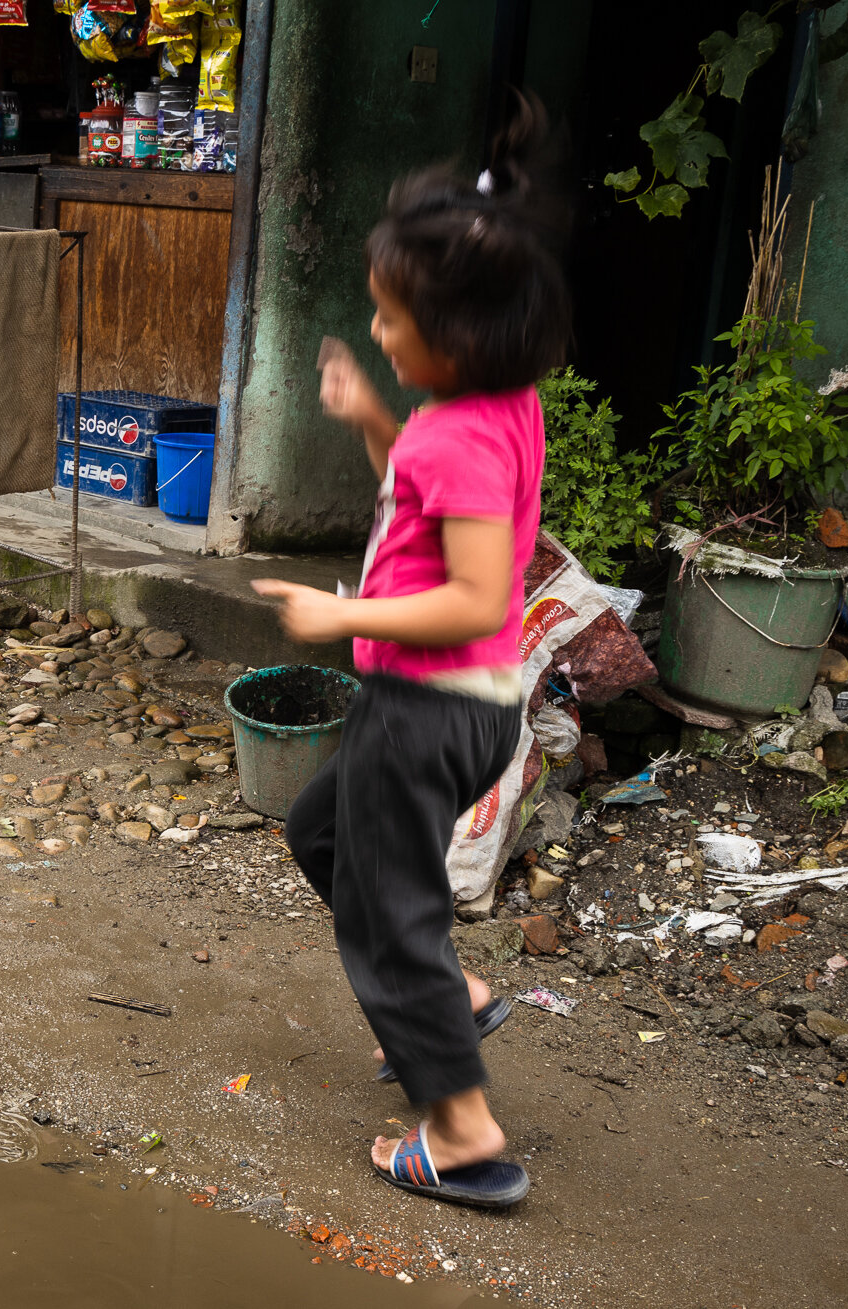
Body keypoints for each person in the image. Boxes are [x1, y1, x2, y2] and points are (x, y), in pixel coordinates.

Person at [251, 97, 567, 1210]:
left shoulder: (459, 430)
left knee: (389, 918)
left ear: (461, 334)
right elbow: (435, 498)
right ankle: (454, 997)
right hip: (451, 707)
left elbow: (478, 595)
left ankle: (463, 1129)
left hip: (429, 705)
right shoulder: (491, 408)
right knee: (320, 831)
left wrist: (343, 621)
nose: (376, 331)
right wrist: (373, 420)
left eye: (390, 320)